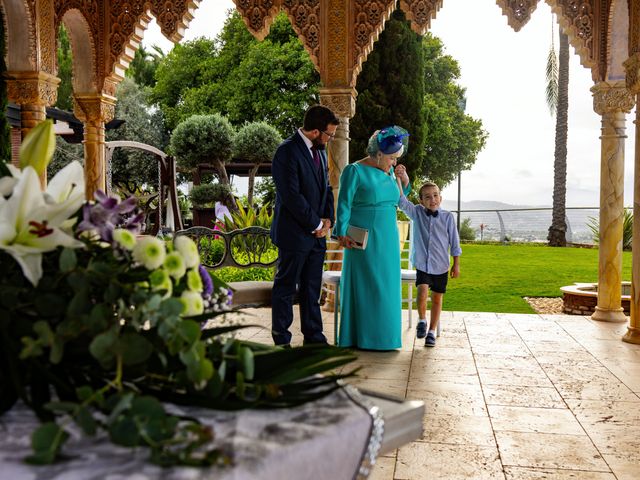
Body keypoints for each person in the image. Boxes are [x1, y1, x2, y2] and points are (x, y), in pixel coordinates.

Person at [333, 126, 410, 350]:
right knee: (368, 285)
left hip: (388, 238)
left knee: (386, 286)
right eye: (392, 158)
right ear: (378, 154)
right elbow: (344, 204)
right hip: (363, 238)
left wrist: (404, 181)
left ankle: (386, 339)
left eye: (396, 158)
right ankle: (361, 337)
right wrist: (341, 233)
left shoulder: (388, 174)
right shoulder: (354, 171)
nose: (394, 163)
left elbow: (399, 200)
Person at [270, 104, 339, 347]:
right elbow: (291, 196)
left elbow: (326, 188)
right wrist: (316, 222)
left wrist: (328, 220)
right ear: (315, 131)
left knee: (312, 289)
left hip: (317, 236)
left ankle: (314, 338)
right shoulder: (286, 152)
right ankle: (282, 340)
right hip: (293, 235)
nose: (330, 139)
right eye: (329, 134)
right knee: (286, 288)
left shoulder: (320, 151)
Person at [394, 173, 461, 347]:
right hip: (423, 264)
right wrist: (399, 180)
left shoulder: (448, 217)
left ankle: (432, 331)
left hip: (441, 266)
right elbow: (402, 202)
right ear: (421, 200)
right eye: (428, 197)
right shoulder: (416, 213)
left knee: (437, 299)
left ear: (441, 197)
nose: (433, 199)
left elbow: (454, 242)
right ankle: (422, 319)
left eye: (435, 195)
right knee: (422, 291)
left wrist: (456, 264)